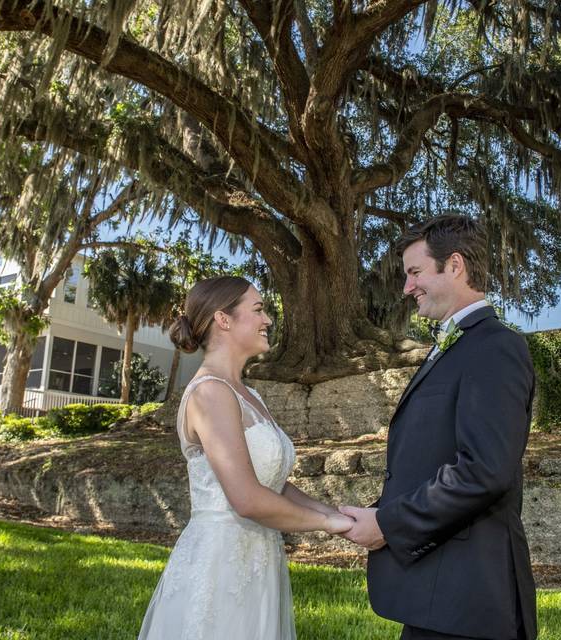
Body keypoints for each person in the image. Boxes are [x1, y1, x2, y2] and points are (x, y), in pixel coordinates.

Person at [340, 215, 538, 640]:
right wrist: (377, 513)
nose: (407, 287)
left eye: (415, 273)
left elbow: (484, 470)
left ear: (455, 265)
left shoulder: (496, 347)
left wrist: (389, 524)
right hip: (438, 595)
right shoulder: (451, 347)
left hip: (468, 600)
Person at [138, 276, 353, 640]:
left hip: (260, 558)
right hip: (220, 564)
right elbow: (246, 498)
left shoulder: (249, 395)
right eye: (258, 310)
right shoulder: (210, 394)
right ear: (224, 319)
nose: (267, 320)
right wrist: (328, 526)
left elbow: (273, 485)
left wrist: (335, 512)